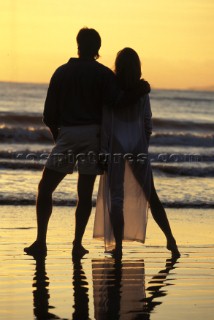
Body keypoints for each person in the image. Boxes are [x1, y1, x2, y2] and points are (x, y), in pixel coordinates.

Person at [24, 29, 150, 258]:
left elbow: (48, 115)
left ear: (78, 44)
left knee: (45, 188)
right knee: (84, 193)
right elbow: (118, 102)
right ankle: (77, 244)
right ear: (98, 49)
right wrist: (141, 90)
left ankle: (41, 242)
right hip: (94, 135)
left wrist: (58, 137)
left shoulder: (61, 72)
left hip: (68, 135)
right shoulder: (103, 74)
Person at [94, 48, 180, 258]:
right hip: (137, 144)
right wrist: (143, 146)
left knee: (116, 198)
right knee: (151, 195)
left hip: (115, 144)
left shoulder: (112, 92)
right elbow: (148, 123)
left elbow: (105, 124)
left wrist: (103, 151)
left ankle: (119, 249)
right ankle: (171, 240)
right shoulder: (142, 92)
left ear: (118, 66)